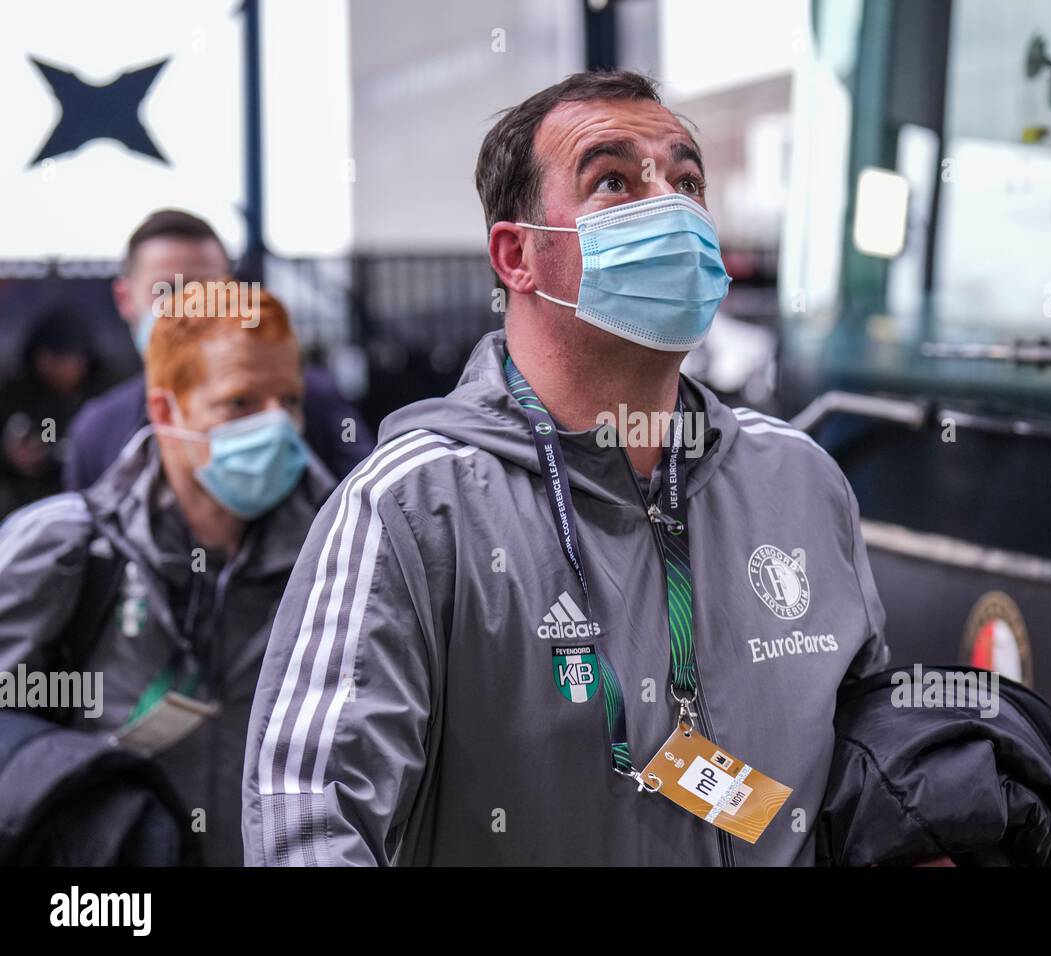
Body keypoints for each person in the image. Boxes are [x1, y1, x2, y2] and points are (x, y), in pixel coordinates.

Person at [242, 70, 889, 866]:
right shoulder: (412, 507)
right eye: (614, 181)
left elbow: (871, 746)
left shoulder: (799, 480)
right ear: (518, 256)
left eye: (688, 181)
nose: (673, 209)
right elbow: (307, 820)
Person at [0, 284, 335, 865]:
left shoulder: (340, 556)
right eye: (240, 404)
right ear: (165, 411)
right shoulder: (65, 548)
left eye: (290, 399)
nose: (278, 426)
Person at [62, 209, 374, 490]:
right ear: (124, 298)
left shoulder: (310, 399)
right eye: (167, 290)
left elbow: (366, 509)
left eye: (208, 289)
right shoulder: (97, 432)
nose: (188, 306)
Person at [0, 305, 110, 516]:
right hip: (27, 505)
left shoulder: (105, 394)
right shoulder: (14, 393)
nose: (59, 368)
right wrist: (9, 453)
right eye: (50, 358)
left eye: (67, 359)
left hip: (93, 503)